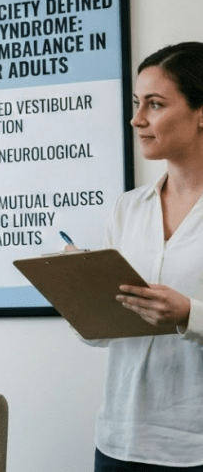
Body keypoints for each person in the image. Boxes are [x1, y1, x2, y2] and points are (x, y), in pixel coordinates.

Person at [76, 42, 203, 471]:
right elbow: (101, 335)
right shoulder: (127, 208)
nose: (137, 118)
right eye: (137, 103)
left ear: (201, 113)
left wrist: (188, 314)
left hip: (195, 449)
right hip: (120, 441)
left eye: (155, 104)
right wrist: (80, 295)